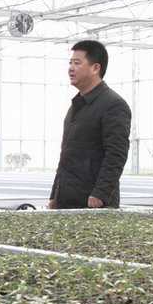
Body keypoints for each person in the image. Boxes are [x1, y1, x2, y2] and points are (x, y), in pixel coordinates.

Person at [50, 40, 131, 209]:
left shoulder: (113, 105)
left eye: (77, 63)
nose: (71, 68)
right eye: (70, 63)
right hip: (67, 199)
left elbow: (116, 154)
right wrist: (55, 195)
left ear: (96, 68)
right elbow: (66, 155)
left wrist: (100, 193)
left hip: (92, 202)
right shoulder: (77, 105)